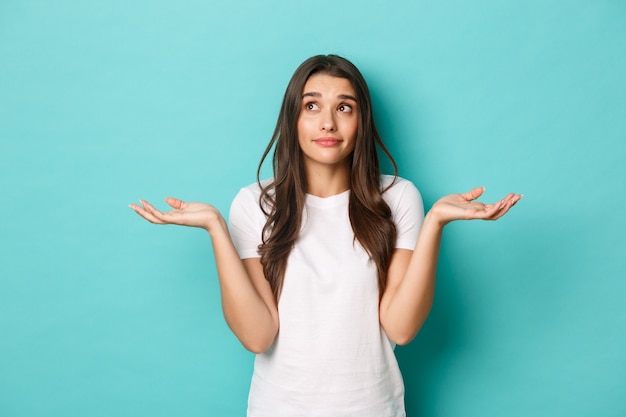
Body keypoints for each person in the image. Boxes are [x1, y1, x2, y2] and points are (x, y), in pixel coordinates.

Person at [129, 54, 522, 417]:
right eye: (312, 105)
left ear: (361, 121)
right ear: (292, 119)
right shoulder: (253, 204)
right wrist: (216, 228)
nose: (327, 123)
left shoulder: (399, 197)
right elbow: (257, 335)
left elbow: (401, 327)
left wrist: (436, 222)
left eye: (344, 108)